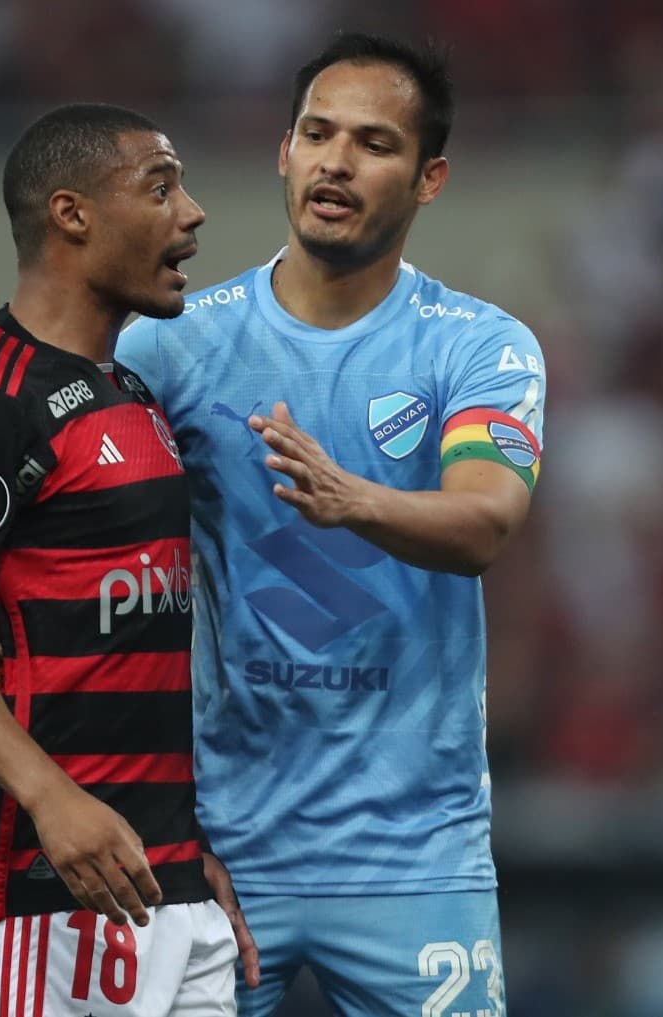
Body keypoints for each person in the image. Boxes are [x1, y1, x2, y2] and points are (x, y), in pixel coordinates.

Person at [113, 32, 545, 1017]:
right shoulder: (171, 346)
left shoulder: (479, 348)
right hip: (220, 846)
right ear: (283, 151)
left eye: (373, 143)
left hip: (416, 855)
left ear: (430, 177)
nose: (336, 161)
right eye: (317, 133)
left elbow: (484, 522)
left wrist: (354, 500)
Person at [0, 103, 255, 1016]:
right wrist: (54, 802)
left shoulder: (130, 393)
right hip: (42, 889)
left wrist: (181, 845)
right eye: (160, 185)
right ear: (71, 215)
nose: (194, 212)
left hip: (164, 879)